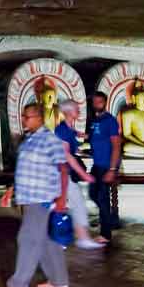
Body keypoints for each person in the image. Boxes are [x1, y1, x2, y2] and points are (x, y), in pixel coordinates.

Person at [0, 103, 69, 287]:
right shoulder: (28, 140)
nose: (23, 120)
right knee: (46, 239)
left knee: (28, 238)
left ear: (39, 118)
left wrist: (62, 198)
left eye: (27, 117)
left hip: (42, 197)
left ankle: (18, 284)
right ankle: (59, 279)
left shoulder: (50, 140)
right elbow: (23, 169)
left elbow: (63, 170)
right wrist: (11, 190)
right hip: (28, 196)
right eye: (23, 116)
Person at [55, 100, 103, 249]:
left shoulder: (69, 129)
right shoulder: (62, 130)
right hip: (62, 173)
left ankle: (74, 238)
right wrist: (84, 174)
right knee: (77, 203)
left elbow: (75, 143)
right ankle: (82, 238)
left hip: (65, 173)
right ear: (69, 112)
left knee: (73, 203)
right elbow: (67, 156)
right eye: (77, 109)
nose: (79, 111)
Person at [88, 90, 121, 244]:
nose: (96, 104)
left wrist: (112, 169)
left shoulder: (110, 121)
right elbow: (95, 139)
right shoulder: (94, 121)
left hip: (106, 166)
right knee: (93, 194)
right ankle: (108, 217)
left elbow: (116, 146)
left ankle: (106, 234)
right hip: (96, 164)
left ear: (105, 103)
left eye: (99, 102)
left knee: (102, 198)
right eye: (94, 102)